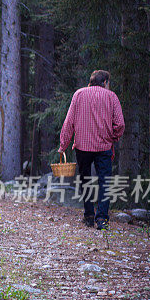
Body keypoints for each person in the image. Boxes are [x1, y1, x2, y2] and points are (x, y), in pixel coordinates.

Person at [59, 69, 125, 230]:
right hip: (104, 146)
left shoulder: (79, 94)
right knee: (105, 182)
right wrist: (113, 137)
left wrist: (63, 145)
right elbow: (120, 124)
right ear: (104, 82)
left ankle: (89, 216)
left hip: (83, 146)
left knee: (85, 180)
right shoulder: (112, 97)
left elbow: (69, 122)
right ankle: (102, 219)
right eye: (108, 83)